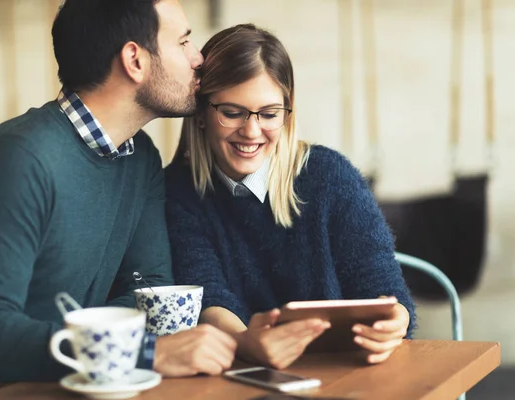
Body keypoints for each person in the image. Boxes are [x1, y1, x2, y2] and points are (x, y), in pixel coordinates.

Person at [0, 1, 236, 399]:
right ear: (134, 60)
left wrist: (64, 361)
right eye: (184, 41)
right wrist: (143, 353)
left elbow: (148, 288)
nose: (198, 58)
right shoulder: (19, 159)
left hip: (69, 382)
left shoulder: (141, 158)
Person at [165, 24, 416, 370]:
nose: (251, 131)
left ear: (287, 112)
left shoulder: (329, 176)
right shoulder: (178, 190)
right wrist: (247, 344)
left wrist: (395, 321)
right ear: (202, 113)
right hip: (239, 373)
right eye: (232, 112)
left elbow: (385, 289)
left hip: (345, 370)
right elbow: (206, 292)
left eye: (269, 114)